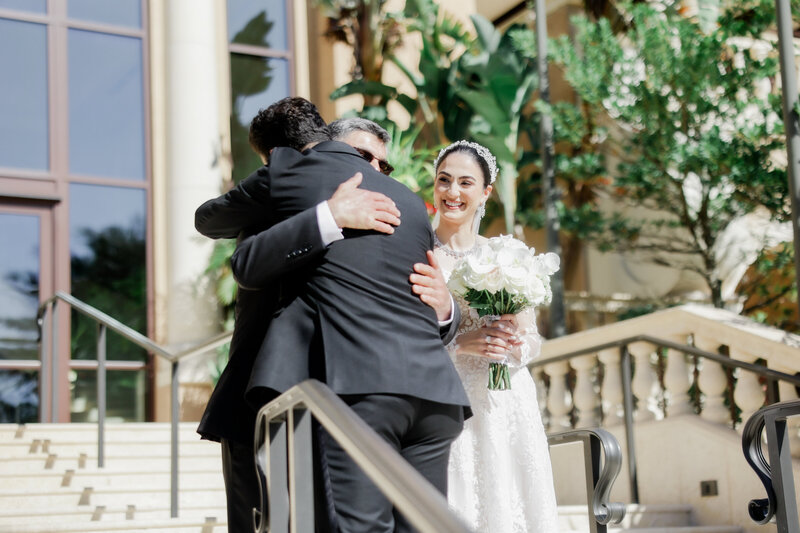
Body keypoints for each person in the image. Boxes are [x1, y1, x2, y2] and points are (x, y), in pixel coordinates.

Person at [197, 98, 468, 533]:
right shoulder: (289, 188)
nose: (372, 173)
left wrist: (445, 309)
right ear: (325, 147)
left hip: (352, 390)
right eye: (362, 157)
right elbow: (216, 227)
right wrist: (331, 215)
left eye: (384, 164)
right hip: (273, 389)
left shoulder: (405, 208)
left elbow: (417, 304)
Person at [431, 140, 559, 533]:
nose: (453, 192)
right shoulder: (419, 253)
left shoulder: (506, 254)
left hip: (507, 402)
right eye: (444, 180)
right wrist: (457, 345)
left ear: (485, 192)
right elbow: (401, 336)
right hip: (451, 399)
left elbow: (533, 339)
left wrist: (515, 343)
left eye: (465, 182)